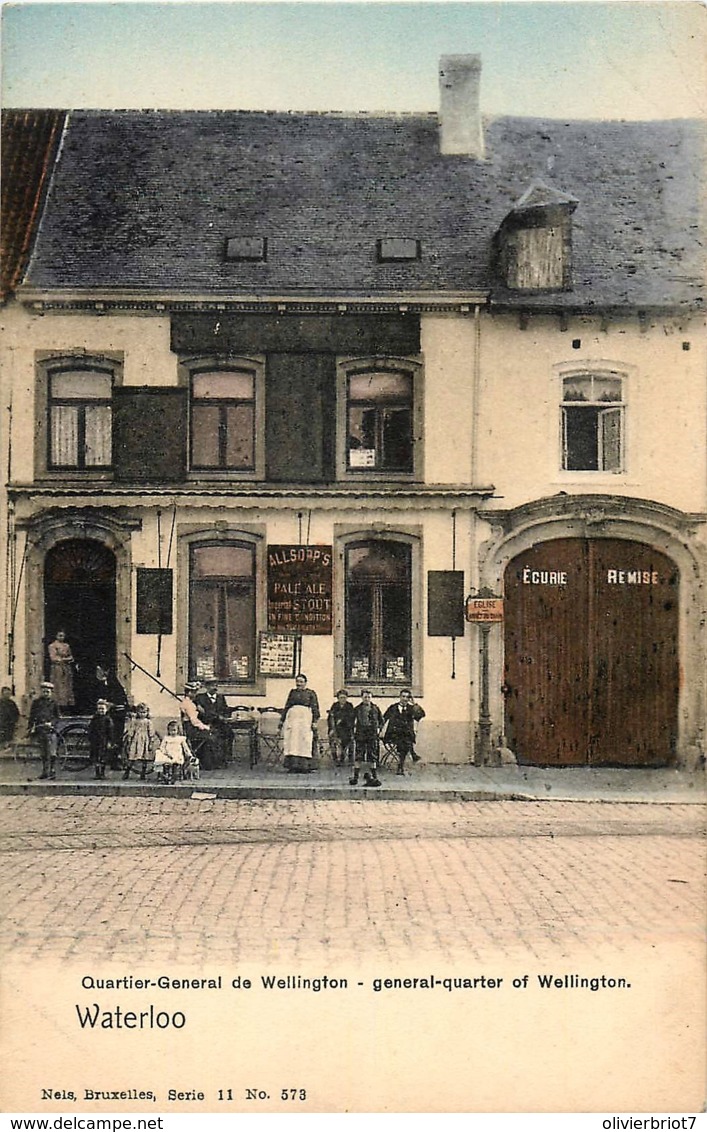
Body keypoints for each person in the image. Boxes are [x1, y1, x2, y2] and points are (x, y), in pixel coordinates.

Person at [279, 673, 320, 774]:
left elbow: (315, 707)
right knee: (293, 742)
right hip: (293, 720)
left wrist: (315, 721)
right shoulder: (292, 693)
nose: (299, 684)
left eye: (301, 682)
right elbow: (287, 705)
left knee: (304, 741)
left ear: (305, 683)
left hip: (305, 720)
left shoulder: (311, 693)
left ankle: (305, 766)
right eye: (297, 682)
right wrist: (282, 720)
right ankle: (293, 766)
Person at [381, 689, 425, 776]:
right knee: (405, 741)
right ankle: (411, 755)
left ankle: (401, 766)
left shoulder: (411, 708)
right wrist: (380, 730)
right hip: (392, 735)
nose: (405, 699)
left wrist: (415, 704)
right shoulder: (393, 708)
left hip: (405, 736)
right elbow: (383, 719)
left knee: (405, 740)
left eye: (407, 697)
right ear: (400, 697)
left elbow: (421, 715)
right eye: (403, 696)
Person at [194, 679, 232, 767]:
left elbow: (225, 710)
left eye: (215, 685)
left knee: (229, 733)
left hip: (220, 724)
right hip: (205, 724)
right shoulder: (200, 698)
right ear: (206, 687)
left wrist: (226, 716)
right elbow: (201, 713)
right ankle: (212, 761)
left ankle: (225, 758)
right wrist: (217, 716)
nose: (214, 688)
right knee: (213, 737)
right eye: (211, 685)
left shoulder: (220, 698)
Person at [27, 681, 60, 780]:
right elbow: (32, 716)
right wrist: (30, 728)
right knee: (43, 752)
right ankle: (45, 771)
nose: (46, 693)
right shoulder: (36, 703)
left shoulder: (54, 703)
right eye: (44, 691)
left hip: (51, 730)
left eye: (48, 692)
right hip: (40, 730)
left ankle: (52, 771)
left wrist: (51, 723)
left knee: (52, 752)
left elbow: (57, 717)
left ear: (51, 692)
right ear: (41, 691)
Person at [179, 682, 216, 770]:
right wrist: (206, 727)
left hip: (190, 727)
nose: (196, 694)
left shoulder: (186, 702)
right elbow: (194, 721)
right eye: (194, 692)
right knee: (211, 737)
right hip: (191, 729)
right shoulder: (189, 705)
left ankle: (207, 762)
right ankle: (207, 764)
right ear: (189, 693)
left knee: (210, 735)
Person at [351, 689, 383, 787]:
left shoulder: (375, 708)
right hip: (360, 734)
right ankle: (355, 777)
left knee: (372, 756)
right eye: (365, 697)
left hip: (372, 735)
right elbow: (352, 722)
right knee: (359, 755)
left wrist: (378, 730)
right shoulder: (357, 709)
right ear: (361, 698)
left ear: (371, 698)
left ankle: (374, 776)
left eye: (369, 697)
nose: (367, 699)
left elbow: (381, 721)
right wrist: (353, 733)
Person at [122, 702, 157, 781]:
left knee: (145, 757)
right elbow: (132, 730)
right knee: (132, 756)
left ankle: (143, 774)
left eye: (144, 712)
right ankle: (127, 771)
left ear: (147, 712)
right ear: (137, 712)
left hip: (145, 740)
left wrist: (151, 742)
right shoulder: (135, 721)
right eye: (140, 712)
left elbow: (151, 732)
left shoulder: (148, 722)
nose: (142, 714)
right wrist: (130, 739)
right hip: (136, 740)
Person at [153, 720, 191, 785]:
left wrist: (188, 753)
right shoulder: (166, 738)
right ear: (168, 731)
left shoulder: (180, 739)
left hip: (177, 754)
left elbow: (185, 747)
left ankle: (174, 778)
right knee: (166, 766)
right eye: (171, 730)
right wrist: (165, 753)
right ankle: (166, 777)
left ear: (177, 730)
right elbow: (162, 747)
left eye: (174, 730)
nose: (173, 732)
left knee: (175, 767)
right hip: (168, 754)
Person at [47, 630, 75, 711]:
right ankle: (58, 706)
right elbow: (54, 658)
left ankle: (66, 706)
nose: (61, 637)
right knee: (58, 687)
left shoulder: (67, 646)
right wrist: (65, 659)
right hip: (57, 669)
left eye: (63, 636)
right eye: (59, 635)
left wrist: (63, 659)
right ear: (56, 636)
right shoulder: (52, 646)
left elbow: (71, 657)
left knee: (67, 687)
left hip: (66, 669)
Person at [87, 699, 115, 779]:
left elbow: (111, 731)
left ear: (106, 709)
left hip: (104, 741)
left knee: (103, 758)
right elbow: (91, 729)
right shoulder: (95, 719)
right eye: (99, 709)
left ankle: (102, 773)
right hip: (95, 741)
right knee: (96, 757)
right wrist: (90, 738)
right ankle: (97, 773)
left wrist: (110, 741)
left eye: (103, 709)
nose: (101, 710)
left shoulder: (108, 720)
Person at [327, 689, 355, 766]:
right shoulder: (335, 706)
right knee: (332, 738)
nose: (343, 699)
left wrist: (342, 720)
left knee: (349, 739)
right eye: (341, 698)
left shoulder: (349, 706)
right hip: (335, 729)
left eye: (344, 698)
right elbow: (330, 718)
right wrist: (331, 729)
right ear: (338, 698)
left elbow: (351, 717)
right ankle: (335, 758)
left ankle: (349, 758)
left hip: (346, 728)